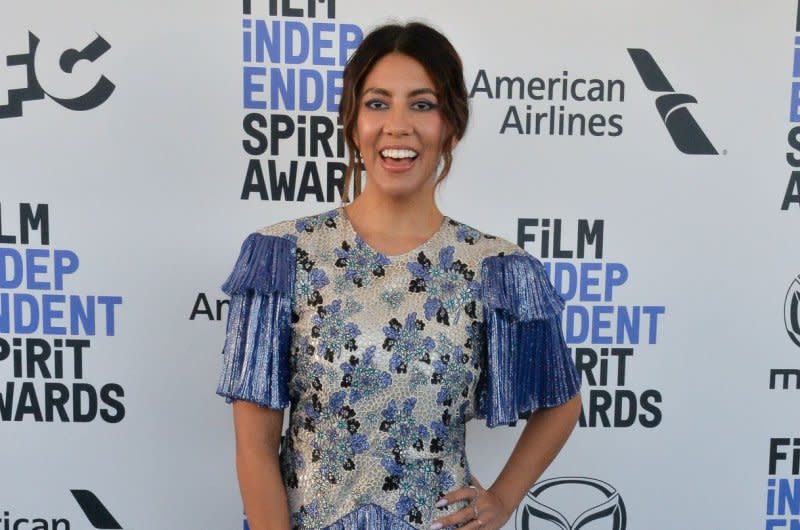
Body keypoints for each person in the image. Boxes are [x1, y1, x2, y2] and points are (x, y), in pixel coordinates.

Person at [217, 21, 582, 530]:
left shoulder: (496, 268)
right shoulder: (282, 256)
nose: (398, 125)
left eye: (422, 104)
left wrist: (501, 499)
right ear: (352, 121)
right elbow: (254, 448)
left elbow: (562, 403)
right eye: (377, 102)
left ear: (450, 124)